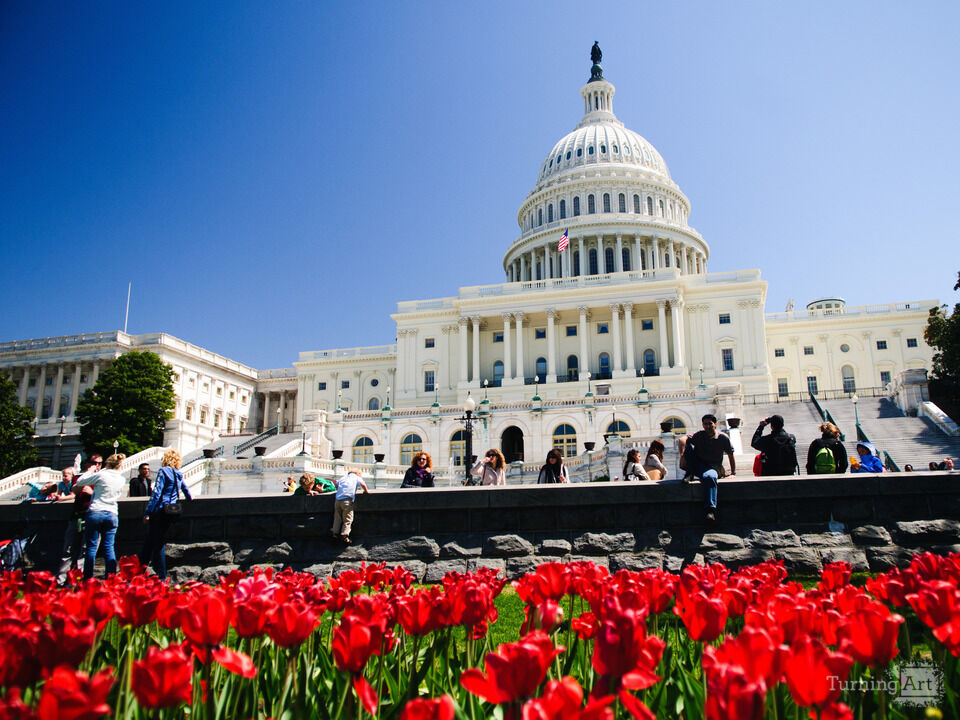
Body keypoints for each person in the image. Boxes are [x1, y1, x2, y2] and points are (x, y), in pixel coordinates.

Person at [139, 450, 192, 581]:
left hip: (160, 510)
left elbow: (157, 492)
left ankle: (161, 576)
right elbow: (186, 490)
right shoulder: (178, 473)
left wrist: (147, 512)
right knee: (150, 541)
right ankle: (139, 572)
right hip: (171, 512)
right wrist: (190, 497)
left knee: (157, 543)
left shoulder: (163, 471)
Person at [74, 453, 126, 580]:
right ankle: (111, 578)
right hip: (112, 513)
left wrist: (89, 471)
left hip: (96, 511)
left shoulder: (102, 474)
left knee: (91, 548)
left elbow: (80, 482)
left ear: (107, 463)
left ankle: (88, 578)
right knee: (109, 547)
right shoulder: (121, 478)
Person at [683, 414, 735, 523]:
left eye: (710, 423)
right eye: (705, 424)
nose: (707, 426)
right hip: (698, 465)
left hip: (712, 467)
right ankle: (690, 473)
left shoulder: (723, 438)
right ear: (702, 425)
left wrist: (733, 472)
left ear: (715, 424)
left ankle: (710, 510)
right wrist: (682, 454)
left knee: (710, 477)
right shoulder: (699, 435)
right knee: (687, 444)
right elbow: (684, 440)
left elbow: (730, 455)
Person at [330, 467, 368, 544]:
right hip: (347, 500)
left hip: (337, 500)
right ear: (358, 474)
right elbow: (363, 484)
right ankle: (344, 535)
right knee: (348, 519)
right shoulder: (357, 477)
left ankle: (334, 533)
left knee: (337, 517)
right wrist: (366, 491)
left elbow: (336, 485)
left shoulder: (343, 478)